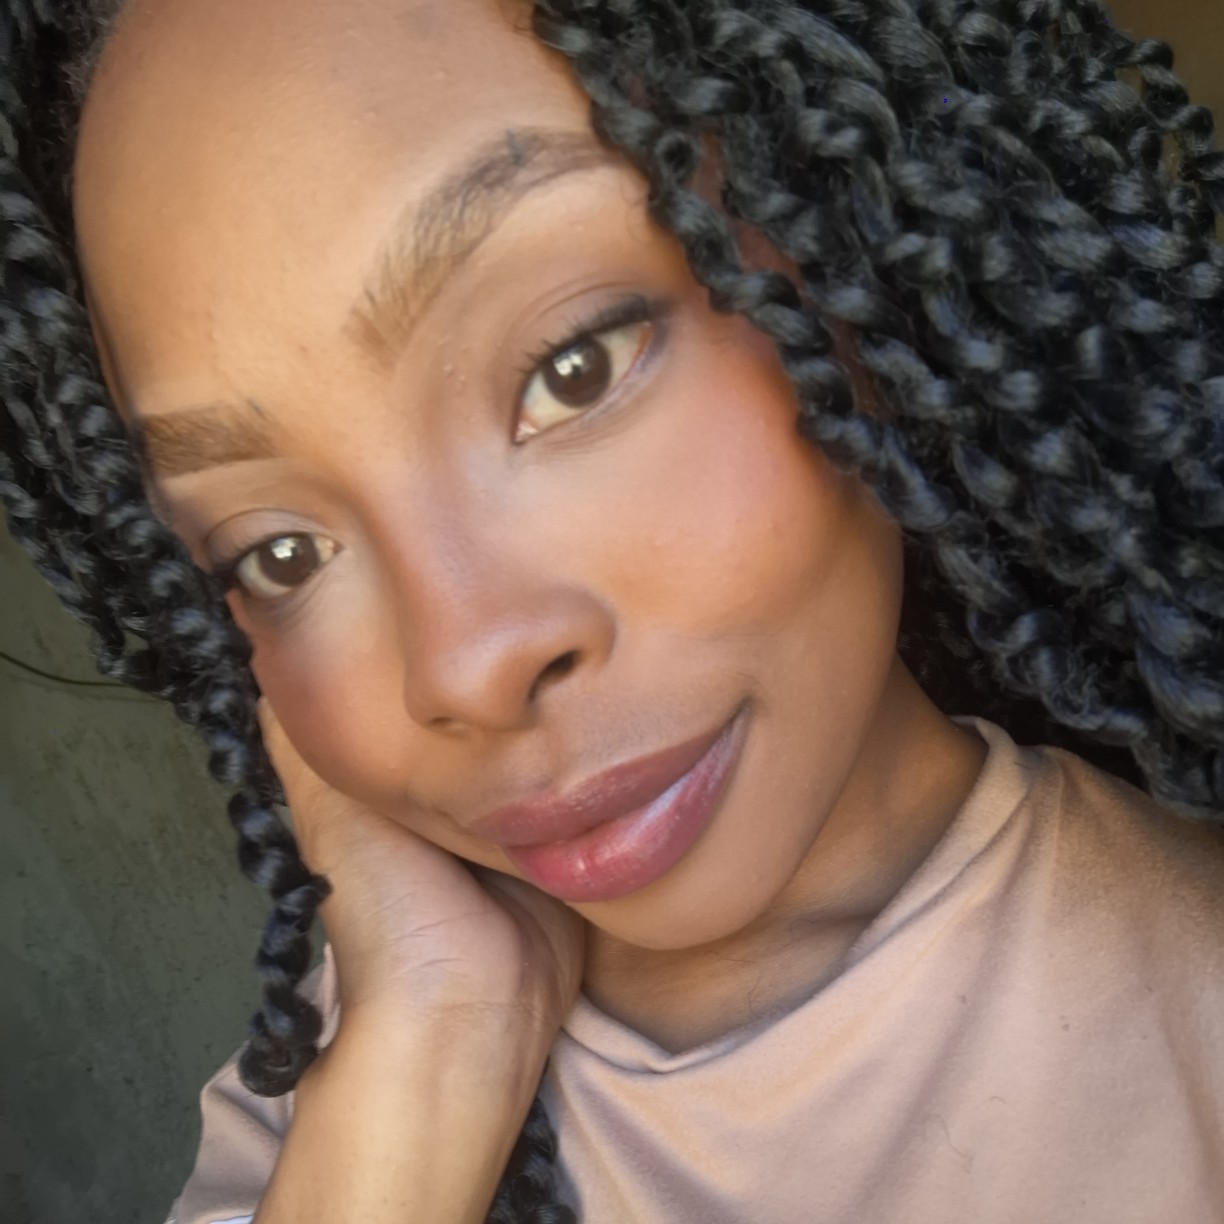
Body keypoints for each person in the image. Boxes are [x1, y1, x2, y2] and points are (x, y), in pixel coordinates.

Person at [3, 0, 1224, 1220]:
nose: (462, 664)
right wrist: (433, 1055)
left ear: (867, 256)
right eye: (278, 554)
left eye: (571, 368)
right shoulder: (310, 1129)